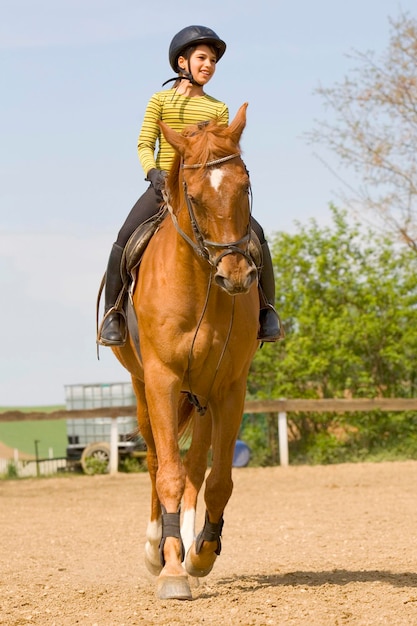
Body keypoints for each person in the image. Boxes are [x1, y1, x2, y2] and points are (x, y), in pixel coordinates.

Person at [98, 25, 282, 346]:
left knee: (256, 235)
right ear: (182, 62)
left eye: (212, 60)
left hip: (204, 193)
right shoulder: (160, 100)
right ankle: (113, 313)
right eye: (202, 58)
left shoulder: (218, 108)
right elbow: (144, 144)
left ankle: (266, 310)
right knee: (125, 237)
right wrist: (153, 172)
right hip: (163, 189)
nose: (208, 65)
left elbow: (222, 153)